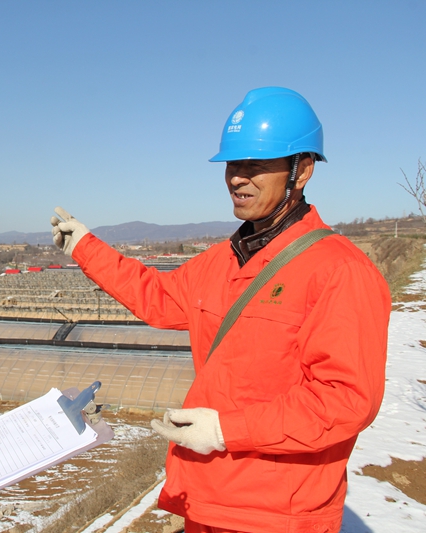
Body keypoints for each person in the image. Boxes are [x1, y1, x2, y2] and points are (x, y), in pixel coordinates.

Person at [51, 87, 390, 533]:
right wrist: (86, 248)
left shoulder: (340, 271)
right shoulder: (223, 260)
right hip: (207, 498)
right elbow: (159, 296)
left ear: (301, 170)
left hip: (277, 514)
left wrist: (227, 430)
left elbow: (345, 401)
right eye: (233, 164)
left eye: (255, 165)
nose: (237, 178)